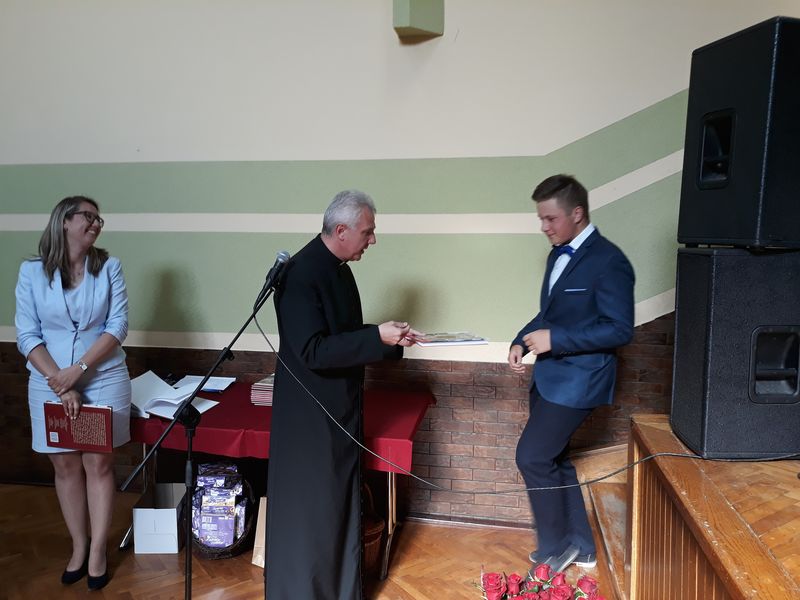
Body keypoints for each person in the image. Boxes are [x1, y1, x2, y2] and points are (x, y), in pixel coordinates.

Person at [265, 190, 419, 600]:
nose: (373, 240)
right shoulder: (299, 275)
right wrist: (376, 337)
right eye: (368, 232)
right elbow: (312, 351)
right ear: (341, 230)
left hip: (338, 409)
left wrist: (388, 340)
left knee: (337, 506)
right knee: (313, 513)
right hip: (309, 418)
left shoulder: (339, 270)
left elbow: (344, 336)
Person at [508, 174, 634, 574]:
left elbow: (620, 330)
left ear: (577, 213)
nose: (544, 227)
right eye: (541, 219)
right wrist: (521, 340)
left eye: (550, 218)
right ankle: (582, 546)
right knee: (554, 458)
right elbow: (551, 314)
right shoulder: (556, 254)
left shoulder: (610, 261)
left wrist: (556, 340)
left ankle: (554, 549)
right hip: (549, 377)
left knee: (531, 456)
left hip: (581, 380)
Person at [15, 196, 131, 591]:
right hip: (47, 380)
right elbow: (27, 334)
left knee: (98, 464)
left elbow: (117, 326)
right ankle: (79, 546)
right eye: (89, 216)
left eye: (100, 219)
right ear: (64, 221)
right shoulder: (31, 272)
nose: (96, 223)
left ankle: (98, 550)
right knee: (64, 466)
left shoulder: (109, 267)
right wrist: (59, 382)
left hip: (103, 376)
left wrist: (77, 371)